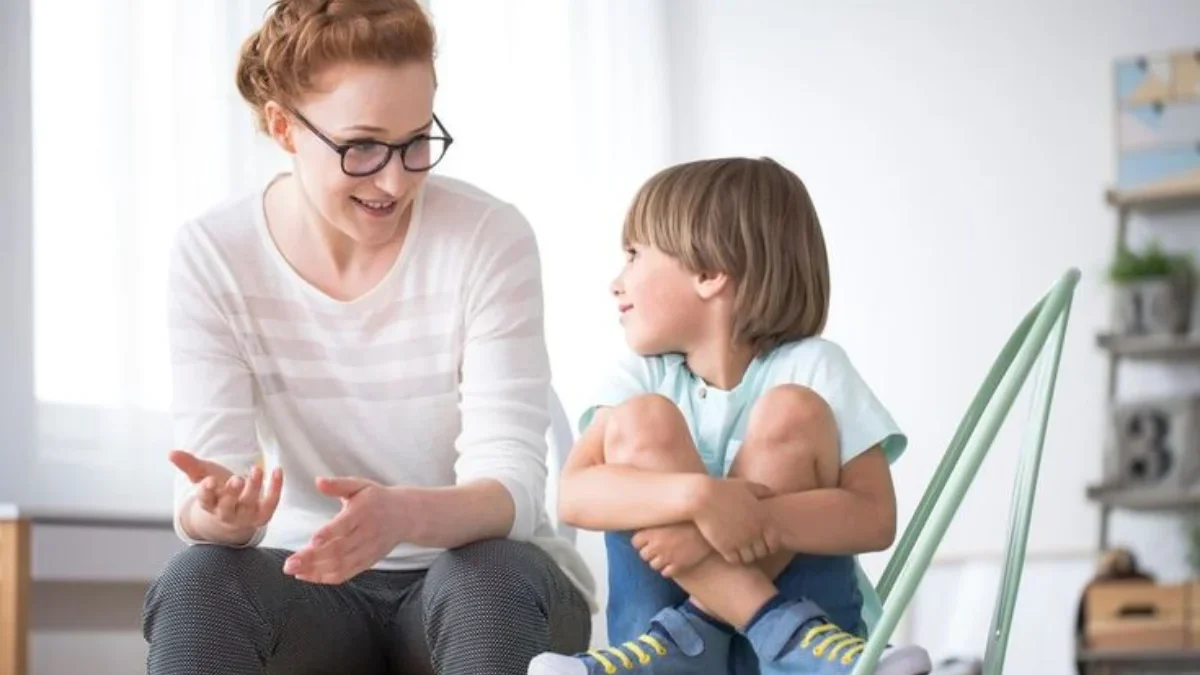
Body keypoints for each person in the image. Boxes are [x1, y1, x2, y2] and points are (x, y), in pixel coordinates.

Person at [140, 1, 595, 673]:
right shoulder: (215, 253)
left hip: (476, 580)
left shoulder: (487, 238)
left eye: (417, 141)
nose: (395, 178)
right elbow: (210, 495)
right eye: (362, 147)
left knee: (484, 580)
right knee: (199, 582)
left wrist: (402, 515)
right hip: (311, 587)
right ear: (284, 127)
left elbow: (514, 493)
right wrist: (224, 514)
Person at [527, 158, 932, 675]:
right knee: (642, 421)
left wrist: (754, 520)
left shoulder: (813, 367)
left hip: (810, 660)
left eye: (633, 256)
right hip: (659, 652)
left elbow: (875, 517)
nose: (616, 281)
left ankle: (704, 636)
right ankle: (755, 631)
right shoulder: (641, 377)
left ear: (709, 273)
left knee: (793, 411)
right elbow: (575, 495)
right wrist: (701, 499)